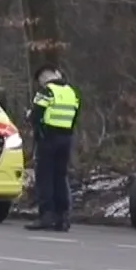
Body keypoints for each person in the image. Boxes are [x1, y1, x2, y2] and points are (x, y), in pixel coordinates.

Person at [26, 65, 81, 232]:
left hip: (48, 139)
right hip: (66, 138)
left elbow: (36, 115)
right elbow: (75, 115)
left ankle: (47, 215)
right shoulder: (72, 92)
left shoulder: (46, 92)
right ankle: (63, 216)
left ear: (43, 78)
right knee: (60, 176)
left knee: (45, 177)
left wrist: (36, 128)